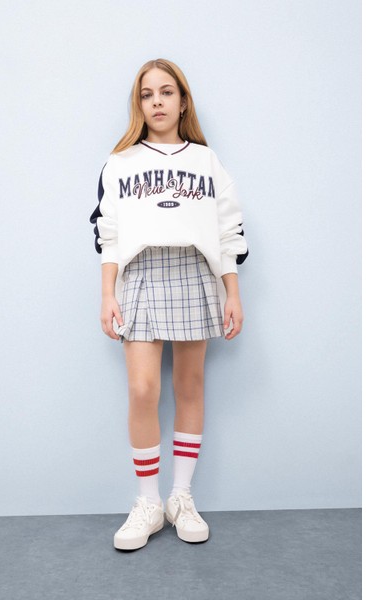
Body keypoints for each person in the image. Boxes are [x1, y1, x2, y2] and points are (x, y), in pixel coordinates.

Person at [89, 58, 248, 551]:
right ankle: (148, 503)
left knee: (190, 385)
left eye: (166, 92)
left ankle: (181, 497)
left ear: (182, 102)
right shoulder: (120, 163)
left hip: (194, 271)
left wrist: (232, 292)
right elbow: (108, 233)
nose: (156, 101)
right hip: (139, 274)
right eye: (146, 94)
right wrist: (107, 293)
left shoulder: (206, 161)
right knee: (142, 389)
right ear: (138, 105)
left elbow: (228, 230)